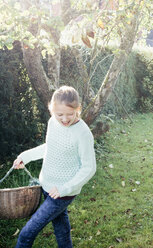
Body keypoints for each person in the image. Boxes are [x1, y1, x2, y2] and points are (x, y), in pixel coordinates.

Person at [13, 86, 96, 248]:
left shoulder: (83, 133)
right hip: (47, 186)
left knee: (26, 234)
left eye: (70, 114)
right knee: (61, 228)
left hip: (62, 194)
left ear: (78, 109)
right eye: (59, 115)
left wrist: (64, 188)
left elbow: (89, 167)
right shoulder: (52, 123)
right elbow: (51, 147)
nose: (65, 119)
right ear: (51, 109)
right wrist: (25, 157)